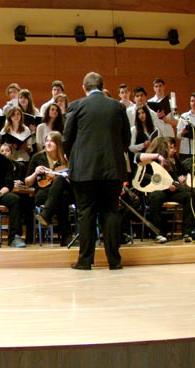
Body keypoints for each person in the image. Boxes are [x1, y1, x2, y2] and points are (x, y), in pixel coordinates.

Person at [63, 72, 130, 271]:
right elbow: (126, 139)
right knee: (111, 212)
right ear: (102, 86)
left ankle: (85, 261)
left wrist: (74, 157)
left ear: (84, 87)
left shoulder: (76, 106)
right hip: (112, 168)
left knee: (86, 214)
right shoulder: (118, 107)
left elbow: (67, 138)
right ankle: (114, 261)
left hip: (84, 170)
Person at [133, 137, 192, 243]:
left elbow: (172, 180)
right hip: (154, 191)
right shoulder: (149, 160)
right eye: (167, 148)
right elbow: (137, 157)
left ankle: (187, 232)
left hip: (169, 192)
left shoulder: (169, 162)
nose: (170, 151)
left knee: (187, 195)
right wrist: (157, 156)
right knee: (156, 196)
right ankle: (158, 233)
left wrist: (176, 184)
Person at [25, 131, 73, 244]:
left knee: (60, 180)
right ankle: (66, 236)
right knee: (62, 197)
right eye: (47, 141)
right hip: (44, 192)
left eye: (52, 141)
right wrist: (35, 173)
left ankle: (46, 214)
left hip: (65, 191)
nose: (48, 143)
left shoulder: (66, 158)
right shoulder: (37, 157)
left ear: (59, 144)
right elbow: (27, 182)